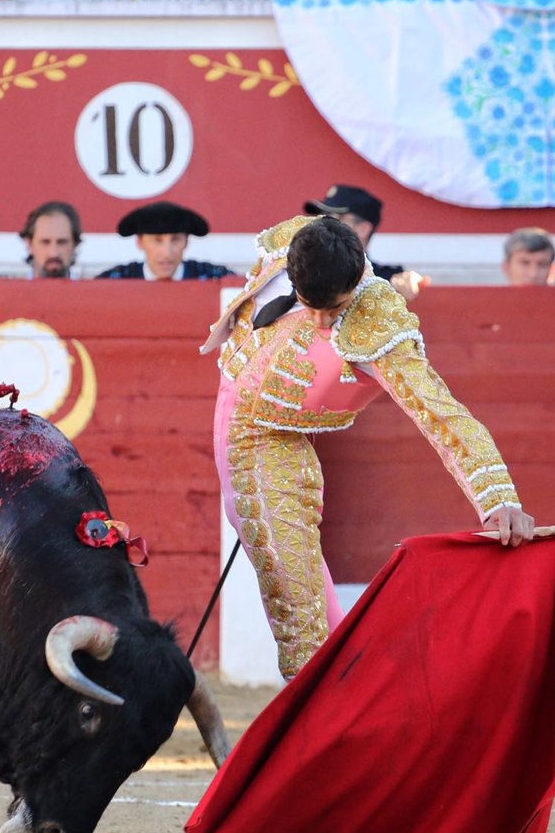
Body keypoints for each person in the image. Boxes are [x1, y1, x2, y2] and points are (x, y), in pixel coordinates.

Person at [201, 214, 535, 679]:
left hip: (267, 444)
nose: (320, 319)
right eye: (308, 303)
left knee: (301, 620)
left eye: (333, 309)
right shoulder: (289, 243)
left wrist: (498, 498)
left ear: (358, 278)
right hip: (254, 430)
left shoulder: (377, 322)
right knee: (301, 603)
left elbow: (441, 413)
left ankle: (340, 724)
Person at [303, 185, 430, 302]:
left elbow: (388, 279)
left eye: (333, 217)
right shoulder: (299, 261)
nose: (321, 223)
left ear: (362, 228)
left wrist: (398, 281)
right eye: (320, 216)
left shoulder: (380, 277)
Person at [97, 201, 233, 281]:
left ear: (186, 242)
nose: (167, 253)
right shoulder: (116, 280)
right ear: (140, 242)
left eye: (175, 240)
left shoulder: (213, 278)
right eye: (157, 240)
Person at [21, 200, 81, 279]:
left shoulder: (92, 291)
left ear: (75, 244)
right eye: (45, 242)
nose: (54, 253)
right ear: (29, 244)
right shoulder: (8, 291)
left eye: (62, 242)